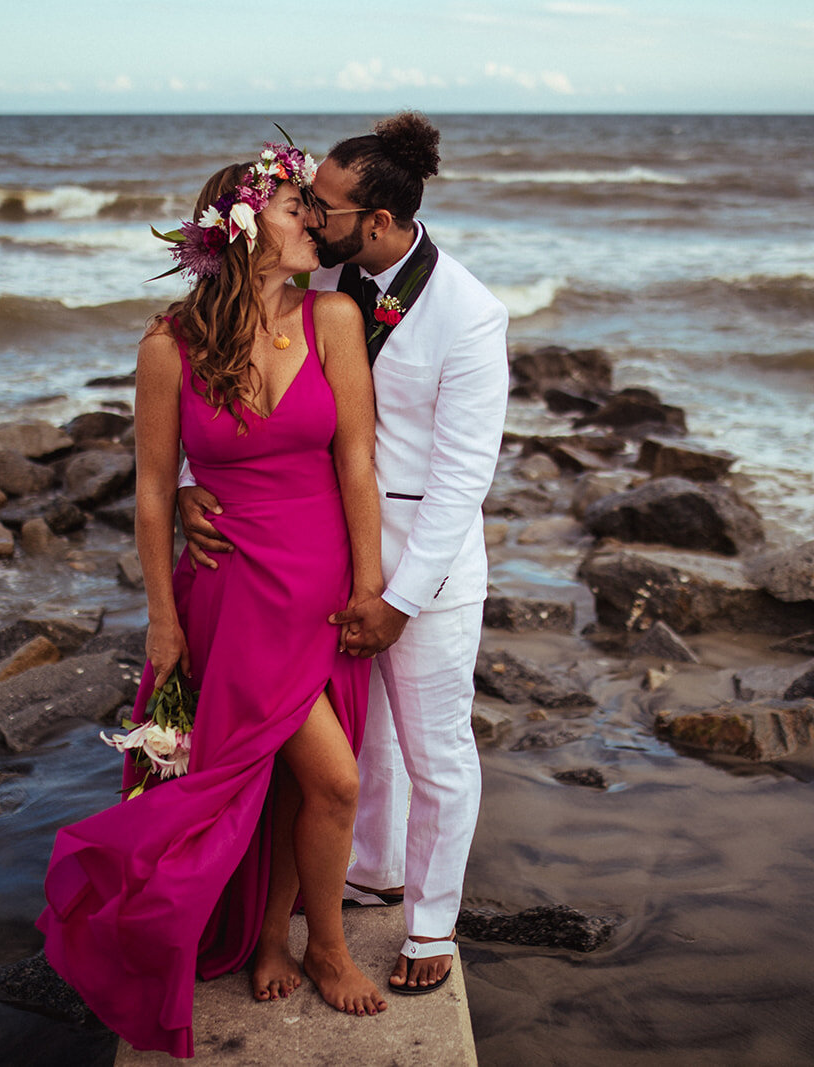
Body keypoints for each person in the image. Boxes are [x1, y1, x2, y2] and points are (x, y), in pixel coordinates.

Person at [36, 141, 388, 1059]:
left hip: (317, 594)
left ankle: (287, 938)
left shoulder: (337, 318)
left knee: (299, 777)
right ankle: (329, 947)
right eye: (294, 209)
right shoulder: (169, 344)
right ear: (241, 231)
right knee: (328, 778)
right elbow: (154, 491)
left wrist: (370, 584)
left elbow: (356, 460)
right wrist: (161, 619)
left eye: (313, 208)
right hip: (230, 598)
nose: (315, 221)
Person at [181, 113, 510, 996]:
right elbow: (230, 370)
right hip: (315, 560)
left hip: (425, 571)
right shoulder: (318, 276)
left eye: (324, 206)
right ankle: (365, 872)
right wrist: (188, 479)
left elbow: (459, 483)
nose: (310, 216)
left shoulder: (469, 315)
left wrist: (398, 596)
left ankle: (431, 922)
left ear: (377, 221)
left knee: (435, 747)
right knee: (362, 743)